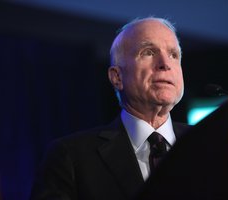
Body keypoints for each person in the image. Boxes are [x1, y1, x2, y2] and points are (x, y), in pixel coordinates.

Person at [30, 16, 190, 200]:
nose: (165, 63)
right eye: (148, 52)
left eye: (173, 55)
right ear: (117, 77)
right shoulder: (70, 157)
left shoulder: (212, 144)